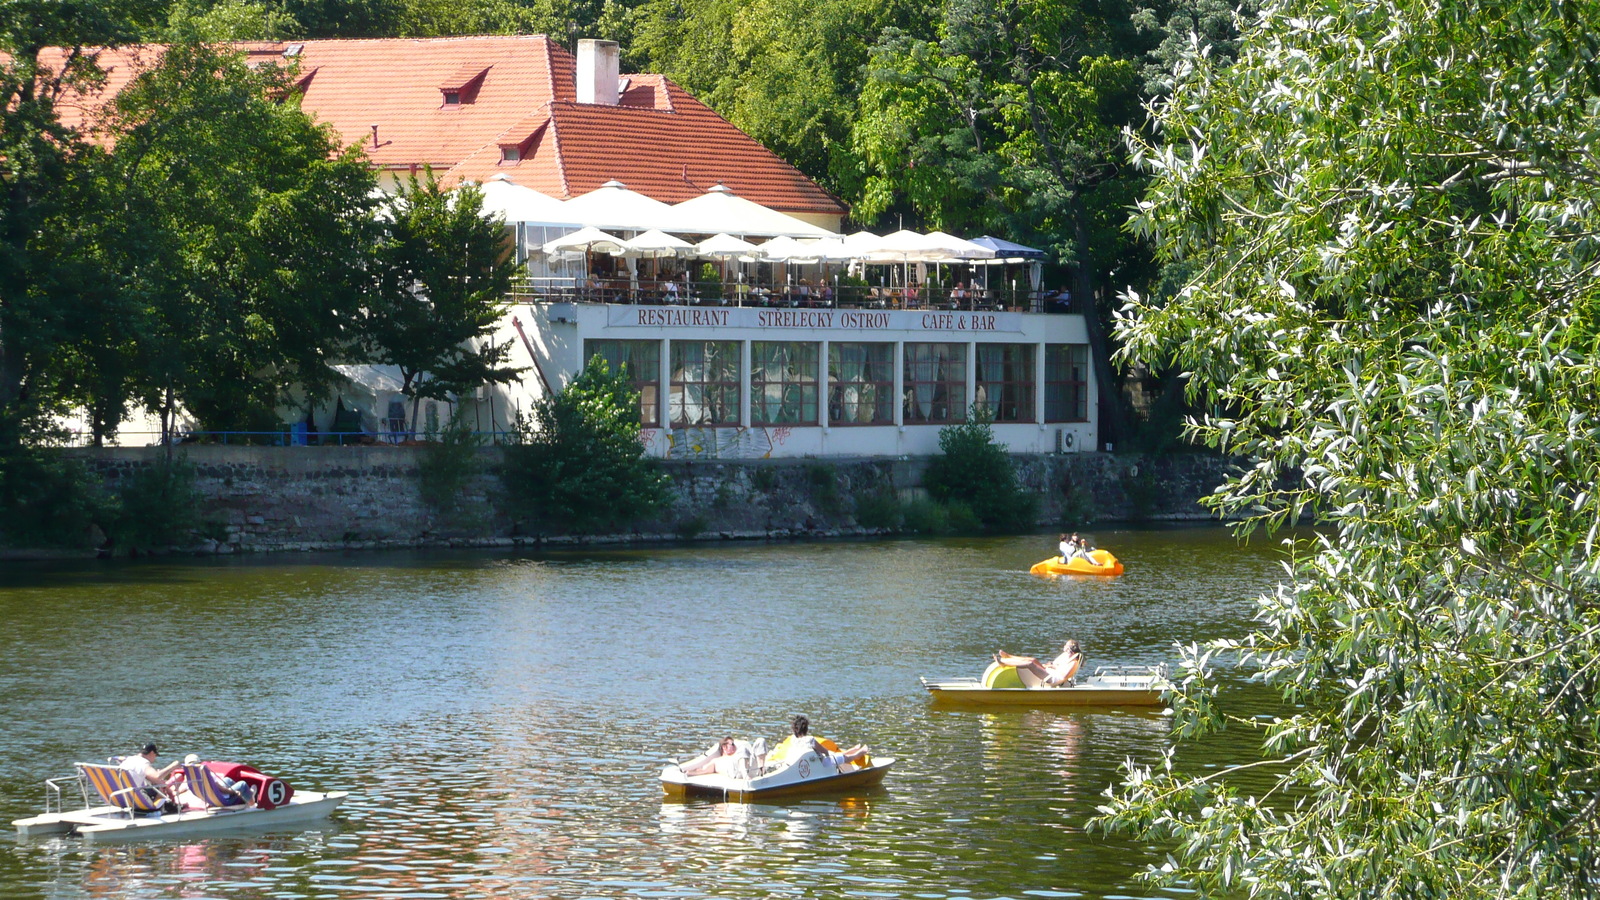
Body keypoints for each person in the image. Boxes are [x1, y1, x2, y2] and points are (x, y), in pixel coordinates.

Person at [780, 715, 869, 769]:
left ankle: (851, 750)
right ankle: (858, 754)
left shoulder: (792, 739)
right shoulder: (810, 740)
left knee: (834, 754)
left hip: (804, 762)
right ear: (806, 728)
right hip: (819, 764)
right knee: (843, 758)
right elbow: (826, 752)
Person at [993, 639, 1084, 687]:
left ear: (1069, 649)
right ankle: (1009, 657)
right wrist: (1051, 665)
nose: (1064, 647)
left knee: (1030, 664)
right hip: (1050, 672)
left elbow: (1063, 676)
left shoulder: (1073, 662)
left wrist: (1053, 667)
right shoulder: (1066, 656)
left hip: (1053, 679)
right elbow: (1058, 665)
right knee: (1033, 659)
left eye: (1066, 645)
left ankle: (1004, 663)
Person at [119, 743, 181, 809]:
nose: (155, 758)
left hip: (120, 796)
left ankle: (168, 804)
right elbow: (157, 776)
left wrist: (168, 790)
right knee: (160, 789)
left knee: (157, 787)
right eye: (156, 755)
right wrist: (172, 766)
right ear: (151, 753)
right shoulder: (143, 763)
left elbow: (156, 780)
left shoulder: (129, 760)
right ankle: (156, 808)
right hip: (134, 797)